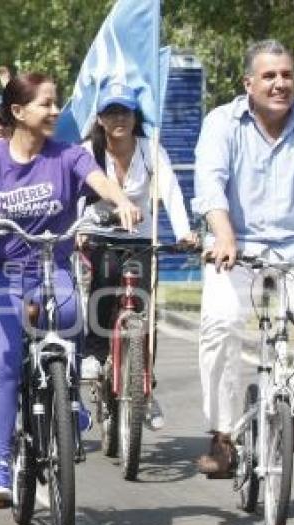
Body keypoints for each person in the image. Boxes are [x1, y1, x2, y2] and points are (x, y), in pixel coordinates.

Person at [0, 72, 141, 504]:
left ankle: (67, 397)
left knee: (71, 315)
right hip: (3, 274)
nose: (55, 111)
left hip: (51, 268)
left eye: (56, 103)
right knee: (2, 365)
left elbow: (99, 181)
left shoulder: (68, 155)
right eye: (46, 104)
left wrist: (122, 202)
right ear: (18, 112)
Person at [193, 39, 294, 477]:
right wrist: (223, 234)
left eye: (287, 75)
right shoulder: (221, 123)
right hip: (237, 255)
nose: (280, 83)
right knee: (220, 322)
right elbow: (210, 184)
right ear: (248, 83)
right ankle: (222, 435)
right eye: (269, 76)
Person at [78, 82, 197, 431]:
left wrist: (184, 230)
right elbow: (73, 195)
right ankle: (95, 352)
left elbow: (171, 190)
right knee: (104, 280)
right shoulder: (89, 151)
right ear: (99, 118)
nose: (119, 119)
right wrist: (75, 232)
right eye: (112, 112)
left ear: (135, 117)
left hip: (141, 238)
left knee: (143, 310)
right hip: (97, 234)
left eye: (125, 112)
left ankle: (144, 383)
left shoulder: (150, 149)